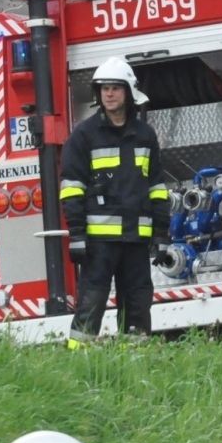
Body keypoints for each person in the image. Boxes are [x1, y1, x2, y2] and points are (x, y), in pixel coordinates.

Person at [58, 56, 171, 344]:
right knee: (91, 303)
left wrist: (161, 233)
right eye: (104, 89)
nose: (108, 94)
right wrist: (77, 235)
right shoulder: (84, 136)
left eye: (115, 88)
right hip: (99, 244)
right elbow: (71, 188)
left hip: (136, 240)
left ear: (129, 93)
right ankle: (77, 360)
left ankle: (135, 363)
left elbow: (157, 187)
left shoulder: (145, 135)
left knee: (137, 306)